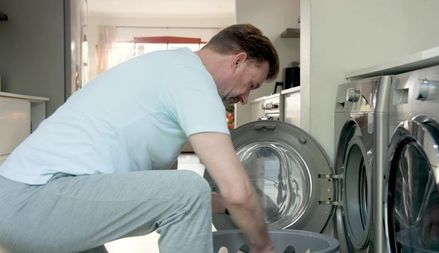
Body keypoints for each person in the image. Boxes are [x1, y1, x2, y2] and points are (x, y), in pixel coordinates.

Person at [0, 24, 279, 253]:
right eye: (251, 85)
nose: (245, 98)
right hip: (32, 201)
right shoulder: (193, 81)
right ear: (238, 61)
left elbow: (165, 194)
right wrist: (264, 246)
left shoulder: (171, 67)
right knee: (188, 188)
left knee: (183, 190)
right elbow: (233, 192)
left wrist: (224, 204)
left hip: (37, 198)